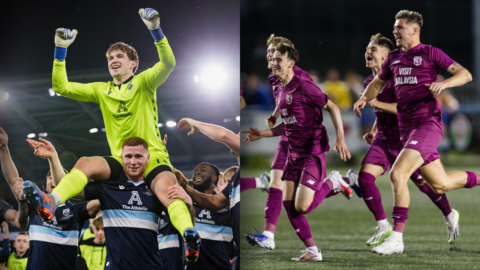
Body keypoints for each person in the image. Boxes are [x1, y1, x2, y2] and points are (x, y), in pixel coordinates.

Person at [24, 8, 198, 258]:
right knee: (84, 163)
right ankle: (52, 201)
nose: (113, 60)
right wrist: (60, 48)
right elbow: (60, 86)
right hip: (120, 159)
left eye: (119, 56)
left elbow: (168, 63)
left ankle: (189, 235)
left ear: (133, 64)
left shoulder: (144, 82)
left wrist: (155, 28)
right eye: (109, 58)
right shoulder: (100, 90)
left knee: (168, 192)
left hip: (153, 157)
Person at [353, 10, 475, 255]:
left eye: (399, 27)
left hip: (427, 124)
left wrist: (445, 83)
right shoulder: (394, 58)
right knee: (441, 185)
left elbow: (465, 74)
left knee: (398, 174)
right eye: (395, 27)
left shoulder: (430, 52)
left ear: (414, 30)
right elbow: (377, 82)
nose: (395, 31)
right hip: (406, 130)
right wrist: (364, 99)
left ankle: (396, 238)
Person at [242, 43, 352, 261]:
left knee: (302, 207)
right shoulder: (282, 92)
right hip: (293, 154)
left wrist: (340, 138)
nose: (273, 63)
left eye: (278, 59)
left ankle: (335, 182)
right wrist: (263, 134)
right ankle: (313, 250)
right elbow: (289, 125)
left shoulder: (304, 85)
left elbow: (334, 108)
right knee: (289, 205)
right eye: (272, 59)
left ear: (291, 63)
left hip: (312, 151)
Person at [74, 137, 198, 269]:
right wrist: (53, 158)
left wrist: (188, 203)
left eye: (138, 156)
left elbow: (189, 227)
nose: (133, 162)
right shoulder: (107, 187)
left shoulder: (158, 189)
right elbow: (74, 191)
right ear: (121, 158)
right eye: (128, 156)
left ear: (148, 158)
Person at [4, 134, 101, 270]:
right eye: (49, 177)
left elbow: (102, 197)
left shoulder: (77, 211)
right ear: (45, 184)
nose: (52, 180)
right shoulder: (35, 204)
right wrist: (3, 148)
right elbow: (13, 180)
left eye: (56, 176)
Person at [169, 118, 240, 269]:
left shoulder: (237, 176)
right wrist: (186, 189)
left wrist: (196, 123)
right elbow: (214, 202)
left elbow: (223, 136)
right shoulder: (236, 180)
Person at [177, 162, 234, 270]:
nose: (197, 172)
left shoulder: (228, 207)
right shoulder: (183, 203)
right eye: (195, 172)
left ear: (214, 177)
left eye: (203, 170)